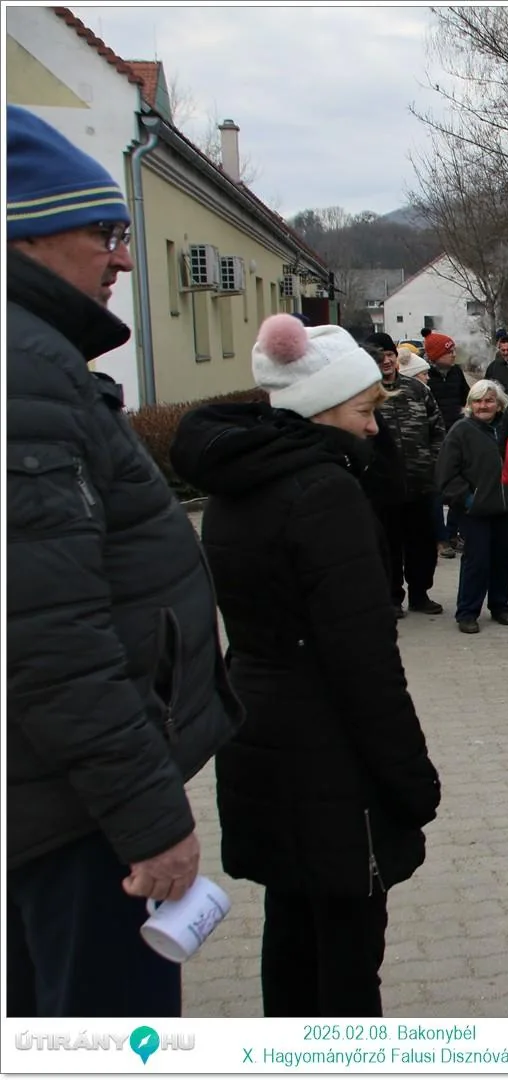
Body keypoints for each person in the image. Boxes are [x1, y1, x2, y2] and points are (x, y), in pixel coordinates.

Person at [6, 104, 242, 1018]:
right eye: (105, 234)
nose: (126, 258)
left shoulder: (37, 364)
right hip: (71, 817)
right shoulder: (24, 373)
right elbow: (47, 637)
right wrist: (151, 821)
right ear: (24, 235)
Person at [169, 313, 441, 1018]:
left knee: (292, 935)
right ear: (322, 410)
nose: (374, 427)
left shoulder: (240, 484)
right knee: (348, 956)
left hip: (261, 735)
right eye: (363, 410)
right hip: (330, 759)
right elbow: (363, 662)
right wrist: (409, 779)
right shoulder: (323, 494)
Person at [364, 333, 447, 618]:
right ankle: (391, 597)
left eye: (389, 354)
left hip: (420, 483)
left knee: (422, 544)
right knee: (387, 544)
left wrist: (434, 464)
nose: (386, 360)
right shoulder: (364, 394)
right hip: (382, 489)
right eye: (379, 356)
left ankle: (420, 595)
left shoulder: (416, 389)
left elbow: (438, 430)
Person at [435, 379, 508, 634]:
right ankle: (468, 611)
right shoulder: (461, 431)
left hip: (505, 508)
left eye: (489, 400)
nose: (484, 405)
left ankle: (500, 605)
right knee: (476, 561)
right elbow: (446, 475)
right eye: (479, 401)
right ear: (470, 404)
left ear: (499, 403)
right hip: (475, 511)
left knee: (503, 560)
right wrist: (468, 499)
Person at [423, 331, 470, 557]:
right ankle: (439, 538)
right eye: (448, 351)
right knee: (436, 492)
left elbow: (466, 398)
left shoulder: (456, 373)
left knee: (459, 489)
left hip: (457, 436)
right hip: (435, 442)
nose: (453, 355)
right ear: (435, 355)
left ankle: (453, 533)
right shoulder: (425, 377)